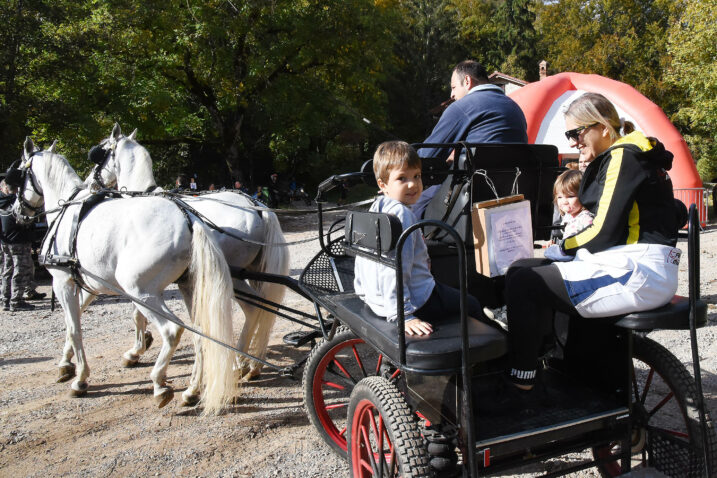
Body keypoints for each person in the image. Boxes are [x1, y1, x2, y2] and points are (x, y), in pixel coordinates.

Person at [492, 92, 681, 412]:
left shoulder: (624, 155)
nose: (574, 141)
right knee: (525, 270)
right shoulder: (637, 152)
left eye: (576, 133)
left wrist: (557, 248)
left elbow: (601, 231)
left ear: (605, 127)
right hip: (640, 265)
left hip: (639, 270)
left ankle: (522, 382)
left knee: (524, 281)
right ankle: (551, 360)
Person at [354, 141, 489, 336]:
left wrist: (365, 293)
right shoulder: (402, 215)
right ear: (383, 184)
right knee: (472, 304)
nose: (413, 184)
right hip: (415, 300)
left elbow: (366, 259)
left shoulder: (377, 207)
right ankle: (486, 360)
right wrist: (403, 314)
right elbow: (396, 267)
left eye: (416, 176)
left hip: (376, 298)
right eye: (402, 178)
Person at [414, 60, 528, 219]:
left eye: (453, 88)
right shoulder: (515, 109)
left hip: (468, 199)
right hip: (511, 197)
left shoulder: (462, 106)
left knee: (409, 205)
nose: (451, 95)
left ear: (467, 81)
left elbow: (426, 156)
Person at [1, 179, 44, 312]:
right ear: (5, 188)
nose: (14, 191)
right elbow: (23, 220)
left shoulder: (3, 202)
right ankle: (16, 301)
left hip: (6, 241)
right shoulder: (15, 202)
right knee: (20, 271)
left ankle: (6, 300)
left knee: (7, 271)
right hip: (18, 240)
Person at [552, 169, 594, 239]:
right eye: (559, 197)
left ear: (584, 195)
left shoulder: (585, 219)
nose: (564, 202)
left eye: (570, 196)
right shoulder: (568, 216)